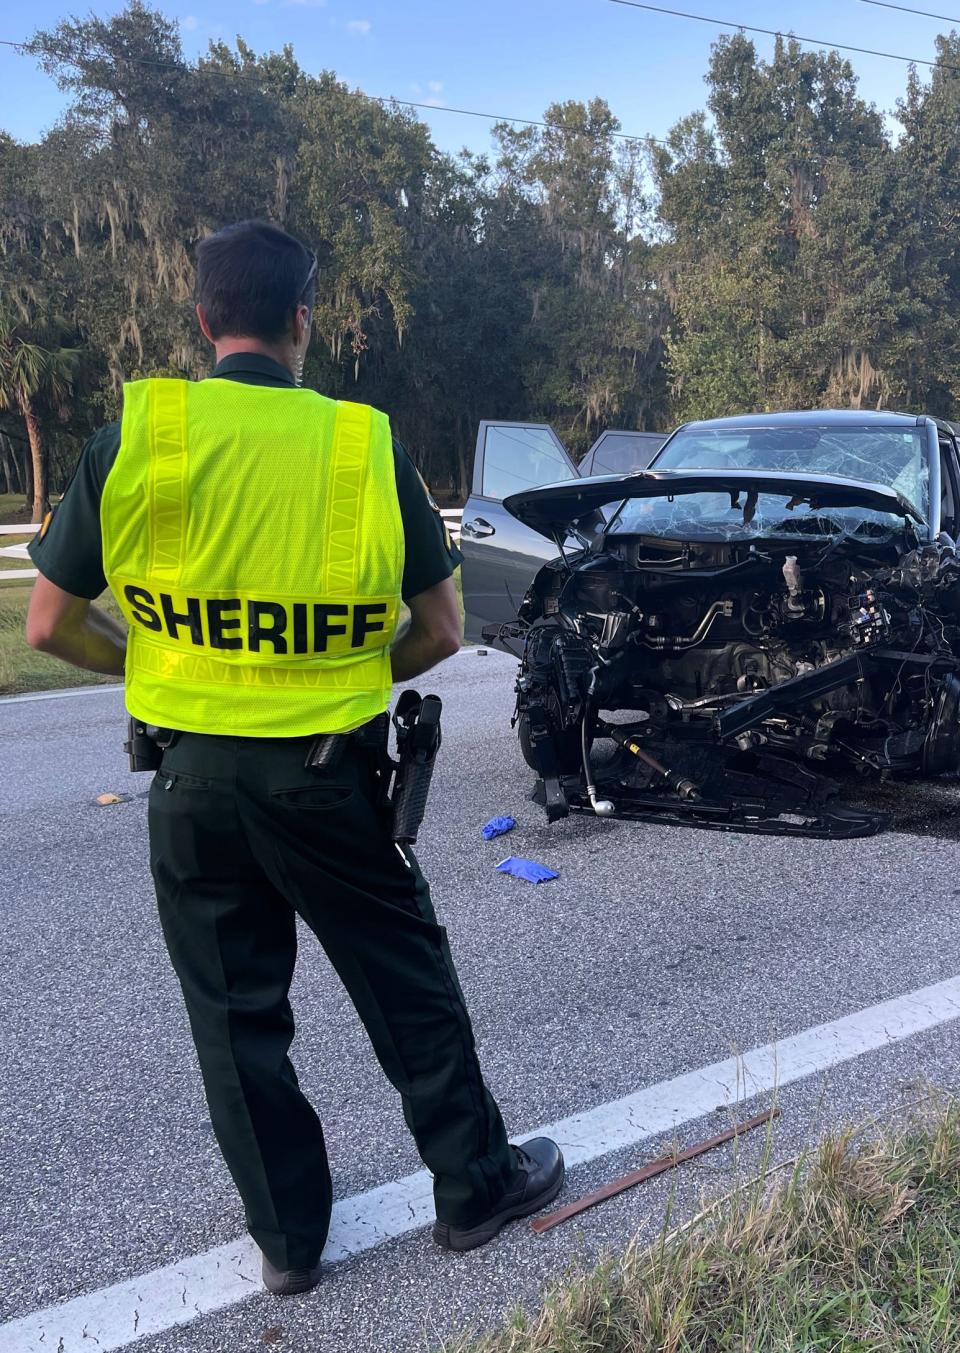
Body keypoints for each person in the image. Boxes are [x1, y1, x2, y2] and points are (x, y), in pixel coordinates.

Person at [25, 219, 563, 1296]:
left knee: (235, 1018)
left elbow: (48, 625)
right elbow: (443, 631)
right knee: (405, 982)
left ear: (201, 320)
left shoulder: (140, 430)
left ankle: (288, 1242)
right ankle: (472, 1189)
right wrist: (356, 667)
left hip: (185, 778)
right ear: (305, 319)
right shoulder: (361, 444)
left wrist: (148, 666)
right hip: (325, 779)